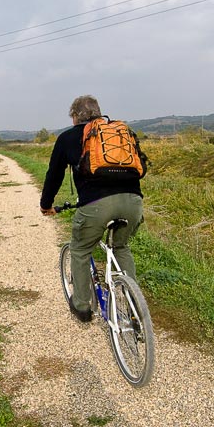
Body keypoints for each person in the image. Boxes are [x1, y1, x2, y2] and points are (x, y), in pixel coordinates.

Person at [40, 95, 144, 322]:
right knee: (121, 247)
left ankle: (82, 307)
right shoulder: (119, 133)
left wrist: (46, 205)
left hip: (96, 206)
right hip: (133, 202)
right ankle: (135, 307)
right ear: (98, 112)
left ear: (75, 116)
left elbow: (54, 175)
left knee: (79, 250)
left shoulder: (68, 137)